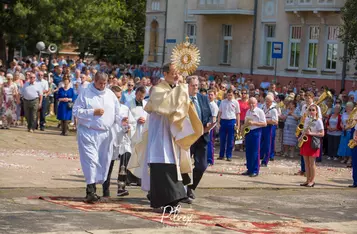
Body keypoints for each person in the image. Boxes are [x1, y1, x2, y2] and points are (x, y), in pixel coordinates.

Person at [143, 63, 202, 211]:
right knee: (164, 166)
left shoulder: (179, 90)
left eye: (179, 73)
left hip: (176, 135)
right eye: (173, 73)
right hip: (161, 136)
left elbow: (185, 109)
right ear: (165, 74)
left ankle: (173, 201)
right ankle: (168, 202)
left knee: (175, 167)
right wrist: (182, 89)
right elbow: (167, 106)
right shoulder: (158, 90)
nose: (177, 76)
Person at [73, 72, 128, 203]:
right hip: (88, 132)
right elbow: (76, 111)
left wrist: (123, 120)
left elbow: (117, 112)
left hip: (105, 134)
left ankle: (98, 187)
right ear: (95, 81)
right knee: (91, 160)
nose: (102, 86)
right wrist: (92, 112)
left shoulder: (110, 94)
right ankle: (90, 191)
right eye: (100, 83)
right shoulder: (86, 93)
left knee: (103, 162)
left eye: (105, 83)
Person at [102, 85, 137, 197]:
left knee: (123, 165)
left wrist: (129, 128)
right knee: (108, 165)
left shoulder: (125, 109)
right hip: (110, 140)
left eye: (119, 97)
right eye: (115, 97)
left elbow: (132, 122)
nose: (117, 99)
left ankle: (121, 188)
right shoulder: (106, 108)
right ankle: (105, 190)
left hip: (123, 140)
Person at [184, 75, 212, 202]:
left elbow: (209, 115)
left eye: (197, 85)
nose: (195, 88)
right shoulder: (183, 99)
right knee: (184, 166)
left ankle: (191, 187)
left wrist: (209, 123)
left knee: (202, 166)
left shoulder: (203, 98)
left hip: (202, 137)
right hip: (188, 137)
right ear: (187, 86)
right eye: (193, 85)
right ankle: (183, 190)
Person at [124, 86, 148, 186]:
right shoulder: (128, 104)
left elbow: (149, 117)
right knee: (132, 155)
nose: (140, 98)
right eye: (139, 96)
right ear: (135, 93)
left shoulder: (146, 104)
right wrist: (136, 120)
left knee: (141, 156)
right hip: (133, 132)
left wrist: (145, 120)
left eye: (142, 96)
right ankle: (129, 178)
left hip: (143, 132)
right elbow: (125, 117)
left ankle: (139, 178)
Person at [299, 104, 324, 187]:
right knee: (306, 163)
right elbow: (304, 130)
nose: (311, 111)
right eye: (310, 110)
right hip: (306, 140)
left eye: (313, 110)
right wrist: (301, 137)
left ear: (316, 111)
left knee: (311, 163)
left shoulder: (318, 121)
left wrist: (311, 133)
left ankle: (312, 181)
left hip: (313, 141)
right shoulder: (307, 119)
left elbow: (322, 133)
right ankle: (307, 180)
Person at [242, 97, 266, 177]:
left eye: (253, 103)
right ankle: (249, 169)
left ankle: (255, 170)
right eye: (250, 103)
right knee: (248, 151)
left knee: (255, 151)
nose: (251, 105)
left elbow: (264, 123)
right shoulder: (248, 111)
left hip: (256, 131)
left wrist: (254, 123)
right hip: (248, 131)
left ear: (256, 103)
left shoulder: (260, 111)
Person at [217, 89, 240, 161]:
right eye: (228, 95)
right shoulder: (223, 102)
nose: (229, 96)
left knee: (230, 140)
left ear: (233, 95)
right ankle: (221, 155)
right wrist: (218, 121)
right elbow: (220, 112)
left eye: (231, 95)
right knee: (222, 139)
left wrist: (238, 124)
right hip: (223, 121)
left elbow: (237, 114)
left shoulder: (236, 102)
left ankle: (229, 155)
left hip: (232, 121)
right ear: (226, 95)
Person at [260, 95, 278, 167]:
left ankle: (265, 161)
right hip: (262, 126)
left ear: (271, 101)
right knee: (259, 143)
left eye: (268, 101)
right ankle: (257, 159)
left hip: (269, 127)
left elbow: (275, 121)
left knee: (268, 144)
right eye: (266, 100)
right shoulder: (262, 106)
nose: (267, 102)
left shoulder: (274, 109)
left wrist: (265, 121)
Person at [207, 88, 219, 165]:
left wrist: (210, 129)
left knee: (209, 143)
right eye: (209, 94)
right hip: (206, 126)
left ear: (214, 96)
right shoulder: (207, 103)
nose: (210, 96)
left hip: (210, 127)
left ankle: (210, 160)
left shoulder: (214, 106)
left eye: (211, 95)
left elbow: (214, 119)